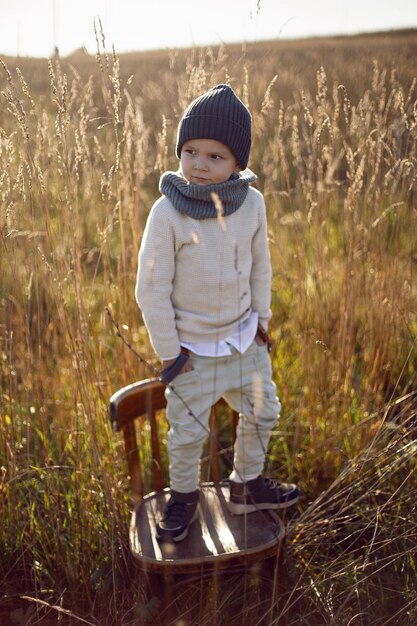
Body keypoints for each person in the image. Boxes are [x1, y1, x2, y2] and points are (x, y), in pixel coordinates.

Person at [136, 84, 299, 542]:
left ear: (239, 163)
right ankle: (184, 495)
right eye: (190, 151)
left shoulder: (253, 205)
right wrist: (170, 353)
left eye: (215, 156)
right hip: (191, 351)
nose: (200, 164)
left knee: (264, 411)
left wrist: (262, 321)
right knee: (187, 433)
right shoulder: (168, 213)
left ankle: (245, 484)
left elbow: (260, 266)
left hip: (245, 341)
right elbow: (150, 288)